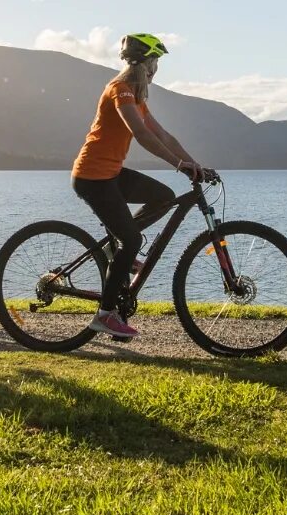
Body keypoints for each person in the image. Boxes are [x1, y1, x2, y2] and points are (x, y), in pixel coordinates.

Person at [71, 33, 208, 338]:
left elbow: (163, 135)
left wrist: (194, 164)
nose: (157, 67)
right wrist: (178, 164)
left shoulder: (136, 97)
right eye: (155, 60)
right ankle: (104, 315)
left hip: (110, 174)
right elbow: (142, 135)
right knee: (132, 241)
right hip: (92, 177)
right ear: (146, 63)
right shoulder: (119, 90)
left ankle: (115, 248)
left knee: (163, 197)